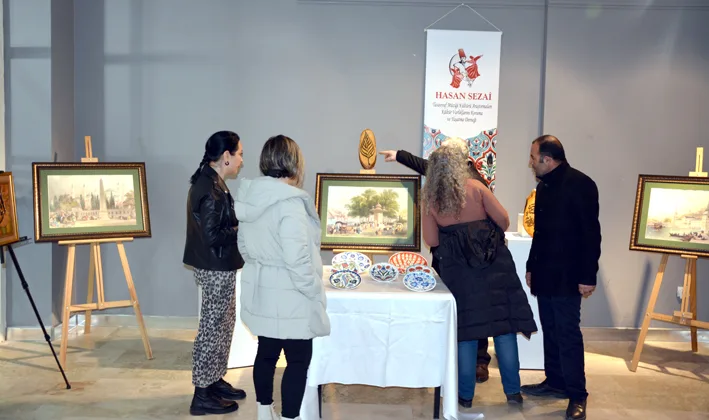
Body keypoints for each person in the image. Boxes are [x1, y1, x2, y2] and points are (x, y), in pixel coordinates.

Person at [420, 139, 538, 408]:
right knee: (505, 329)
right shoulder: (476, 187)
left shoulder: (430, 200)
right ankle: (513, 393)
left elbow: (432, 240)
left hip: (459, 275)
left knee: (467, 333)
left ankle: (465, 397)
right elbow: (504, 220)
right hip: (495, 267)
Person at [234, 135, 331, 420]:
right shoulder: (290, 203)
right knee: (298, 360)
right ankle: (289, 416)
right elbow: (297, 258)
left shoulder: (250, 198)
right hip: (293, 295)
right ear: (294, 162)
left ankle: (264, 412)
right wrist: (313, 289)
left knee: (266, 353)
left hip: (262, 289)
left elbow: (243, 247)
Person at [379, 144, 493, 383]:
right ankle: (451, 356)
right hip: (448, 258)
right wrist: (398, 156)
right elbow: (424, 166)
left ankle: (479, 361)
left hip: (470, 259)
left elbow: (497, 218)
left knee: (474, 310)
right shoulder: (447, 172)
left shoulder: (476, 182)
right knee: (449, 306)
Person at [521, 135, 601, 420]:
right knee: (551, 330)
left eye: (533, 158)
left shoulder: (581, 184)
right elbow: (539, 233)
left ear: (547, 159)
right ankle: (555, 382)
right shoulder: (543, 187)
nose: (531, 163)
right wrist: (531, 266)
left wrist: (588, 276)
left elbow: (591, 235)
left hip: (569, 276)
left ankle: (577, 395)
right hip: (544, 273)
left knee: (568, 335)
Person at [182, 131, 247, 416]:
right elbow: (212, 236)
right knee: (212, 329)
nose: (241, 160)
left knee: (223, 325)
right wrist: (241, 230)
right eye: (240, 154)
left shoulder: (212, 181)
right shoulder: (209, 188)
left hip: (219, 265)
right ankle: (202, 394)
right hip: (215, 267)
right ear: (226, 156)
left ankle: (214, 380)